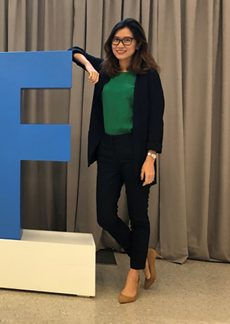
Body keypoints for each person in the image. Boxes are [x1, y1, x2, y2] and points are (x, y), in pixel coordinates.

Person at [69, 18, 164, 304]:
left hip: (136, 152)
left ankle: (134, 274)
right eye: (115, 40)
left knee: (138, 216)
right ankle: (143, 254)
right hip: (108, 150)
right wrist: (89, 68)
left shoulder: (148, 75)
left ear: (138, 44)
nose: (120, 45)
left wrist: (150, 158)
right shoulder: (105, 69)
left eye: (126, 40)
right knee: (105, 216)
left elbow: (156, 120)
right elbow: (73, 51)